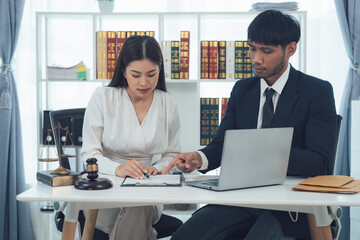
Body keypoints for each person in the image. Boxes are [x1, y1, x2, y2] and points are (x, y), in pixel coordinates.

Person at [163, 10, 337, 240]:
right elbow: (222, 144)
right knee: (185, 236)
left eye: (266, 51)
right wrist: (199, 158)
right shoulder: (243, 90)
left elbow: (321, 163)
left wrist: (264, 154)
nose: (256, 59)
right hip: (241, 198)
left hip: (291, 204)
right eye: (252, 48)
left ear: (290, 49)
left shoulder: (316, 91)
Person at [62, 35, 181, 240]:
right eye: (135, 75)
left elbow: (172, 153)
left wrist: (158, 168)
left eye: (151, 74)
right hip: (105, 183)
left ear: (159, 71)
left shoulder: (167, 103)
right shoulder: (103, 97)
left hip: (148, 183)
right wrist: (119, 169)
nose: (144, 82)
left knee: (140, 200)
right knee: (138, 206)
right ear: (123, 71)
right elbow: (90, 152)